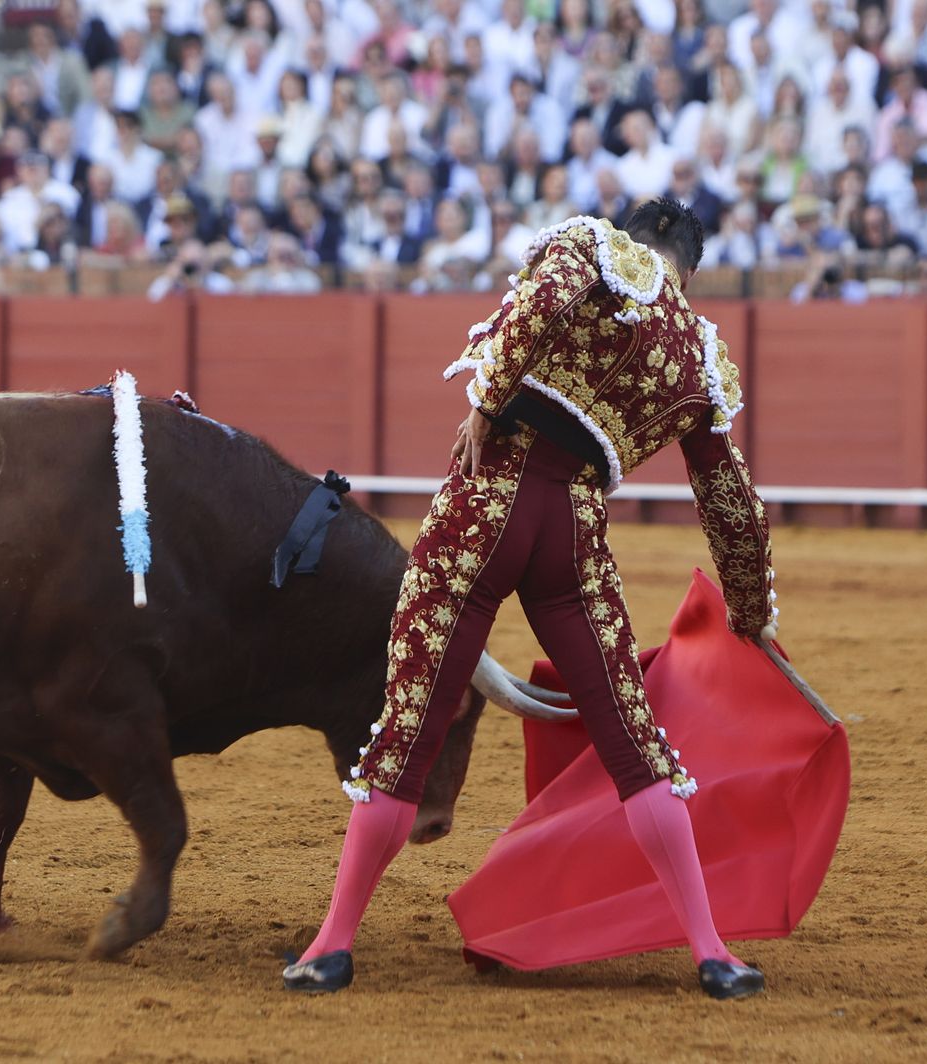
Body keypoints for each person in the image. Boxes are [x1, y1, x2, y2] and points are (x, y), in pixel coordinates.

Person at [282, 200, 776, 1002]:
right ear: (691, 269)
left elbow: (537, 304)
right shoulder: (701, 353)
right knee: (634, 741)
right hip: (574, 530)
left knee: (409, 728)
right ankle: (714, 952)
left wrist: (487, 400)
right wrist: (751, 613)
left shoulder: (592, 244)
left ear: (633, 236)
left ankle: (332, 946)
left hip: (489, 497)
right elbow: (730, 503)